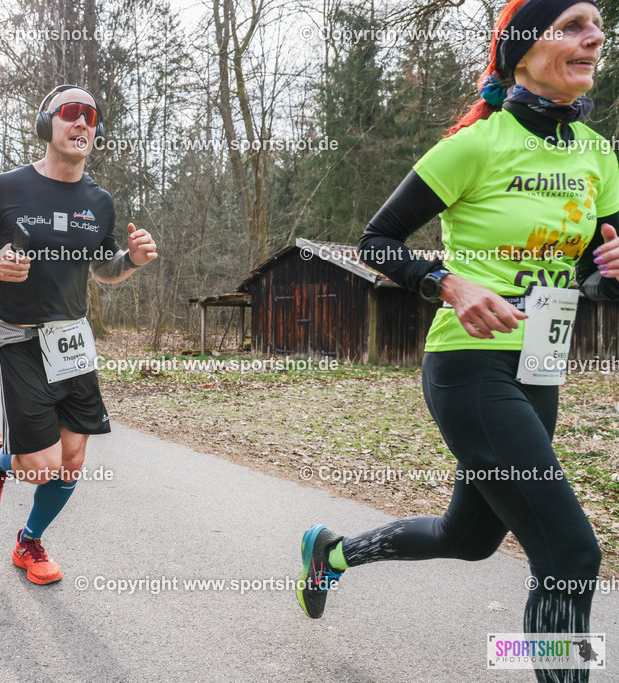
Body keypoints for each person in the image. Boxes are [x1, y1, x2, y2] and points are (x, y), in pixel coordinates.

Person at [296, 3, 617, 681]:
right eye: (574, 24)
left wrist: (608, 274)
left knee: (468, 538)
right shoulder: (476, 143)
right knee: (569, 551)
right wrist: (449, 283)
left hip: (541, 365)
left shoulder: (597, 152)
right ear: (523, 51)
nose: (596, 35)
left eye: (598, 23)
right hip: (470, 369)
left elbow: (597, 272)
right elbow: (376, 241)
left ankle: (331, 553)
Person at [0, 84, 157, 584]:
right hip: (19, 337)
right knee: (38, 466)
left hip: (73, 341)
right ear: (48, 124)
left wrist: (131, 260)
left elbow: (103, 269)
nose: (81, 123)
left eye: (90, 117)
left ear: (97, 132)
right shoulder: (5, 188)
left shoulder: (99, 201)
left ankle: (30, 542)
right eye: (70, 113)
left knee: (71, 460)